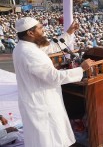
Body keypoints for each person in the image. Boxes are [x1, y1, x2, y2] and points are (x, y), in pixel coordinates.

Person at [12, 17, 94, 146]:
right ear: (30, 33)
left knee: (49, 136)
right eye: (40, 28)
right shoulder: (29, 53)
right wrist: (81, 69)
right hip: (40, 103)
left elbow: (50, 48)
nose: (43, 30)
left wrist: (69, 33)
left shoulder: (26, 47)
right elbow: (54, 77)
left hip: (39, 99)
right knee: (46, 139)